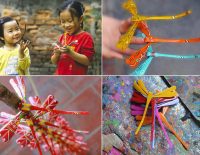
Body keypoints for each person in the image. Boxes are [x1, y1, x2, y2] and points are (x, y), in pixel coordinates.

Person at [51, 0, 95, 75]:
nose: (66, 25)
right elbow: (54, 61)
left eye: (70, 21)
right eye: (63, 22)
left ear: (80, 19)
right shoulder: (63, 37)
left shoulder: (86, 37)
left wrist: (70, 52)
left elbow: (87, 61)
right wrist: (56, 54)